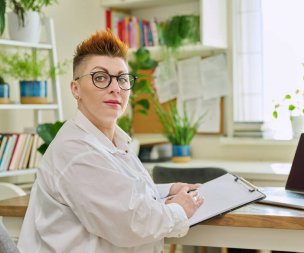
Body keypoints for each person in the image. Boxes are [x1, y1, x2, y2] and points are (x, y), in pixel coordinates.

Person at [17, 30, 203, 253]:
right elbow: (131, 224)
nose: (115, 87)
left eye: (122, 79)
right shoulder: (76, 151)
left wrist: (169, 190)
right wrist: (179, 209)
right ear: (76, 89)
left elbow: (124, 194)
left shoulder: (114, 140)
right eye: (100, 77)